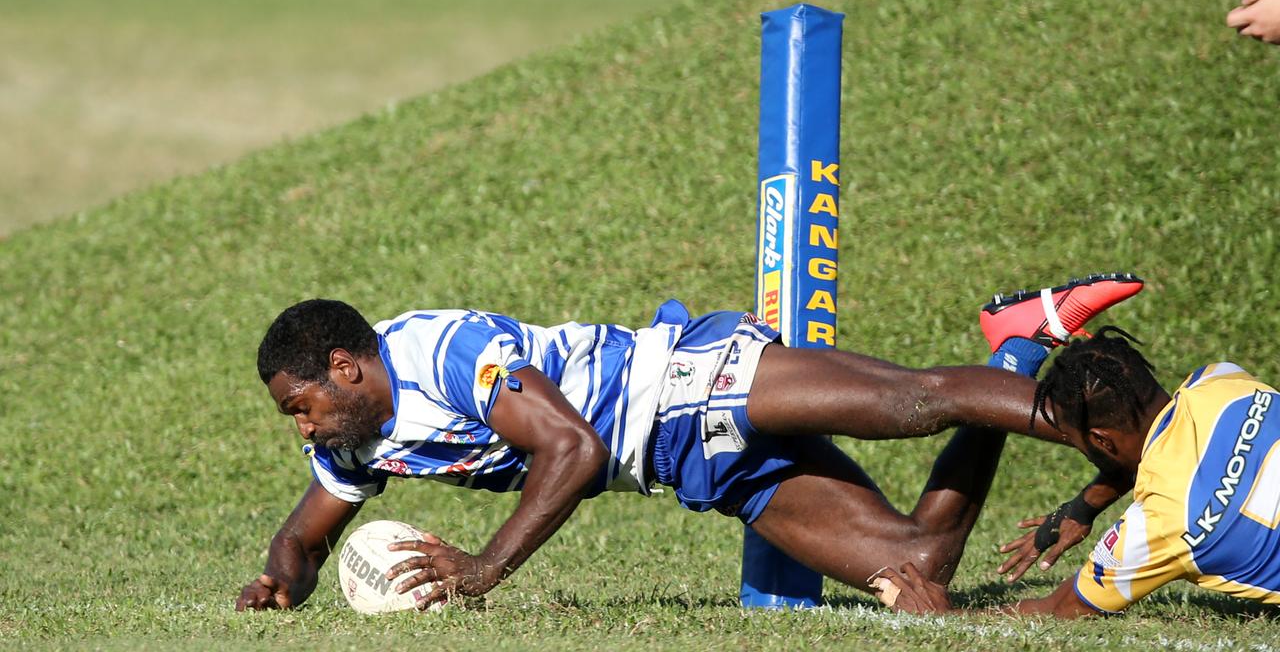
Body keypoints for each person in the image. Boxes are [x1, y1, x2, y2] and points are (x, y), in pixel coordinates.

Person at [235, 273, 1143, 612]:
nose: (305, 428)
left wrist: (484, 568)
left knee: (917, 401)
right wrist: (283, 578)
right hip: (684, 465)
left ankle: (1145, 442)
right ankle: (1020, 342)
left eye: (302, 407)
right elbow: (306, 532)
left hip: (688, 381)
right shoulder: (354, 441)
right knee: (918, 566)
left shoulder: (441, 351)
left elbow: (574, 450)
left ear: (347, 366)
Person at [872, 328, 1280, 617]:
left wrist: (945, 615)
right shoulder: (1225, 382)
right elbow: (1172, 446)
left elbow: (1060, 608)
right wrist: (1084, 507)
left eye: (1082, 445)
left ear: (1101, 441)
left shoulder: (1157, 525)